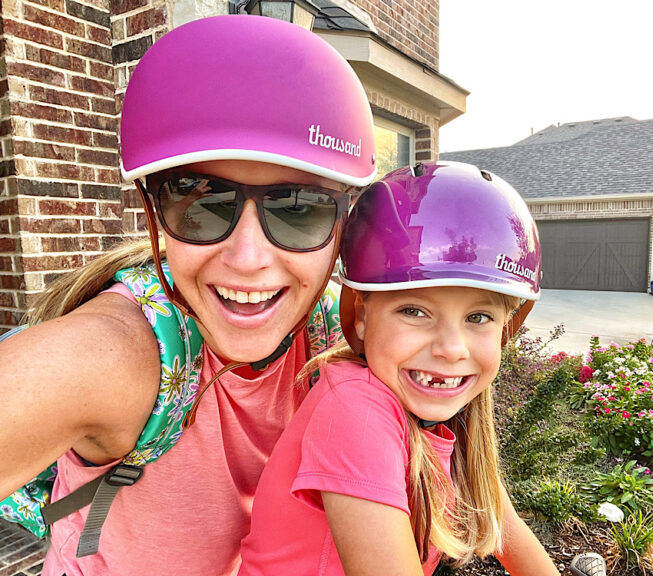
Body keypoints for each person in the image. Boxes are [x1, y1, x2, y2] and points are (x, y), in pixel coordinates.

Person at [0, 14, 376, 576]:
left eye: (299, 209)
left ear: (344, 225)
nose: (247, 258)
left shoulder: (337, 334)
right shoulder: (122, 354)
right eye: (200, 201)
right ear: (154, 210)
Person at [238, 161, 559, 576]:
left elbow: (503, 524)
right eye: (414, 311)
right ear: (361, 317)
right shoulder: (356, 410)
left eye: (478, 317)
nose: (451, 349)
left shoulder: (441, 414)